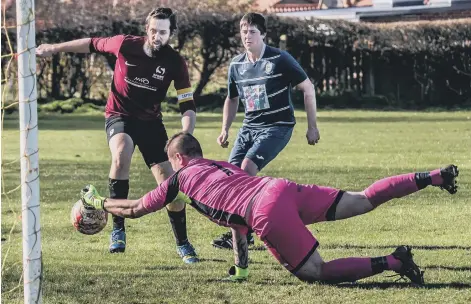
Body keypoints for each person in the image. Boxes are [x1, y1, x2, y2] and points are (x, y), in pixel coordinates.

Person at [80, 132, 459, 284]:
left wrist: (98, 202)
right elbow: (234, 223)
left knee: (315, 272)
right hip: (279, 188)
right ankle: (434, 177)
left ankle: (396, 261)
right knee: (363, 199)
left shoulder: (179, 180)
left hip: (264, 210)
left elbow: (132, 210)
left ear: (178, 158)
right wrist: (242, 269)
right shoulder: (219, 165)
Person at [37, 8, 199, 263]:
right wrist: (54, 48)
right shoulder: (125, 45)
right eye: (153, 30)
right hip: (119, 116)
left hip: (151, 124)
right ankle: (118, 229)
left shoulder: (175, 62)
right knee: (121, 153)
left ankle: (183, 243)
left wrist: (185, 135)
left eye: (163, 32)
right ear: (147, 29)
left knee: (169, 185)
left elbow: (186, 103)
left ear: (171, 34)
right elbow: (90, 44)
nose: (157, 36)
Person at [212, 12, 321, 249]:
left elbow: (308, 89)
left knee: (246, 170)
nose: (247, 36)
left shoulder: (280, 59)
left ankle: (246, 232)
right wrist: (225, 129)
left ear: (263, 34)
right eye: (244, 32)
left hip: (277, 126)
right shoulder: (237, 64)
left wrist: (312, 127)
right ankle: (239, 232)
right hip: (249, 127)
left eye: (252, 32)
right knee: (231, 177)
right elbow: (231, 99)